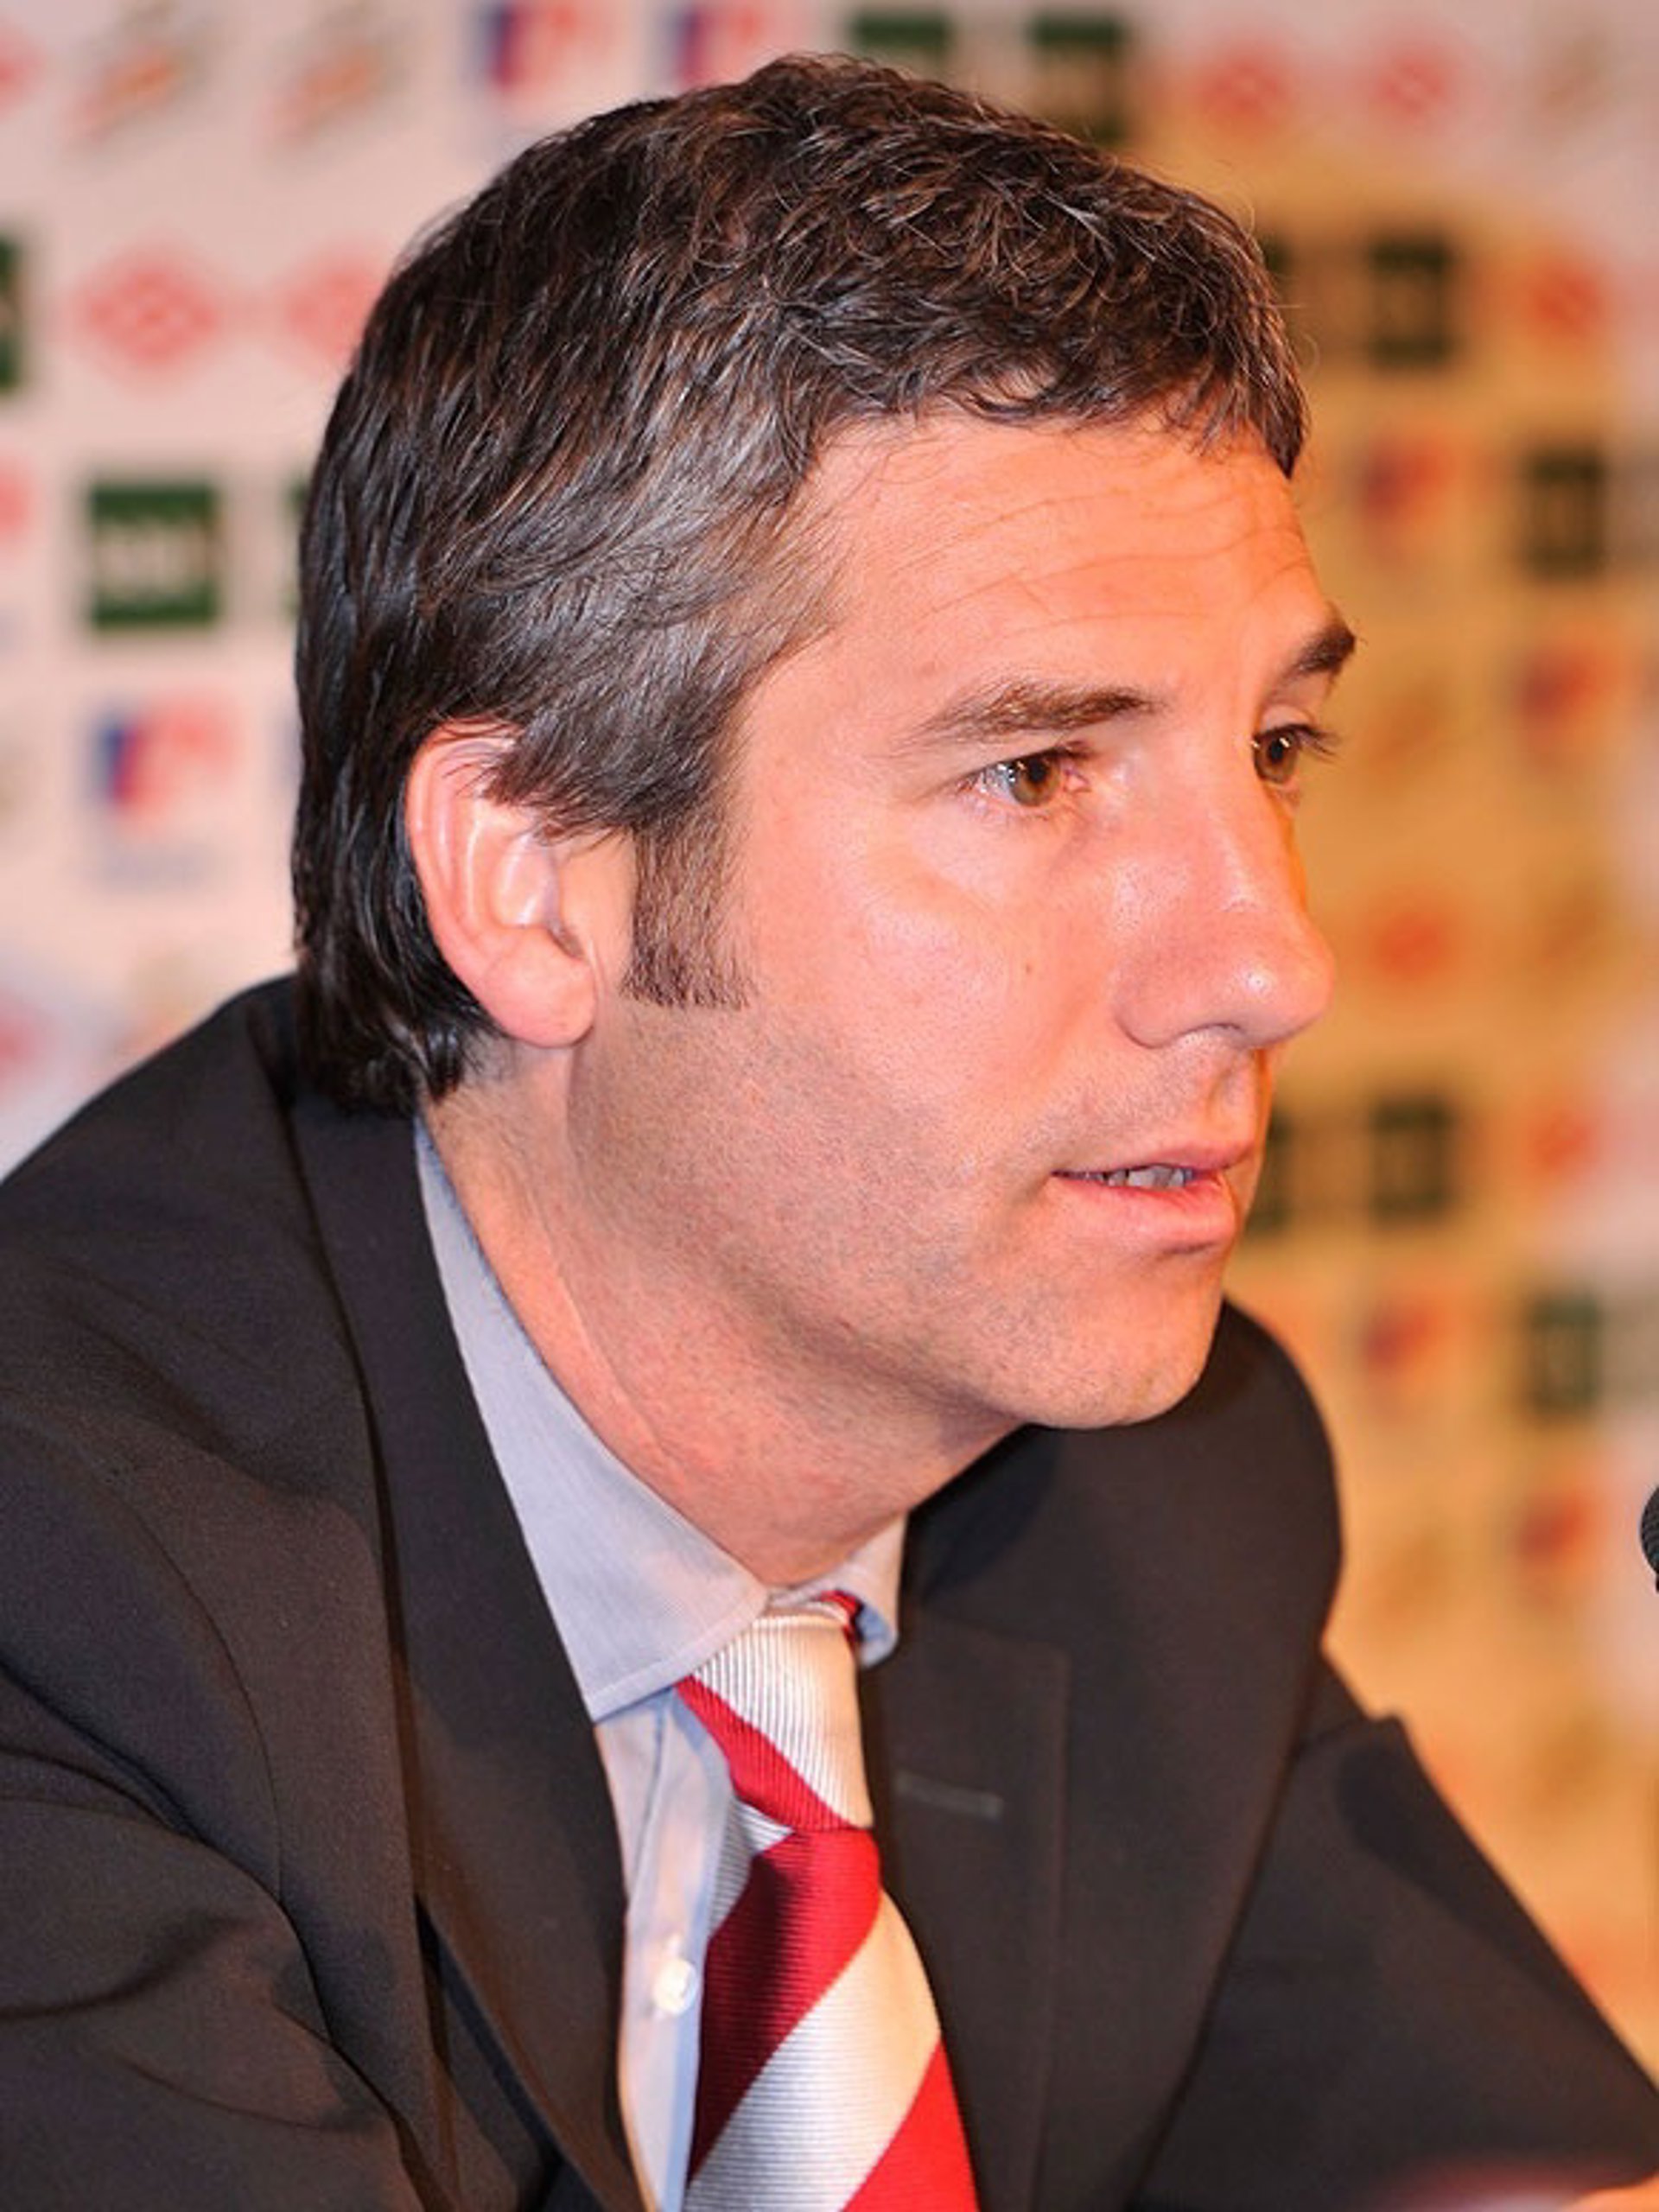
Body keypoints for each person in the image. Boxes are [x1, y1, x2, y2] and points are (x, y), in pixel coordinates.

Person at [0, 50, 1654, 2212]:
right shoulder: (62, 1590)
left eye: (1275, 746)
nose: (1275, 960)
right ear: (537, 879)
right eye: (1036, 773)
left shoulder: (1144, 1485)